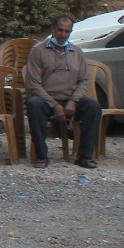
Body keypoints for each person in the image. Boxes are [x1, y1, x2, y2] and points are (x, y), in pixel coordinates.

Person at [20, 16, 100, 170]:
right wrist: (54, 105)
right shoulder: (38, 50)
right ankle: (41, 156)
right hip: (46, 99)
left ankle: (84, 156)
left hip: (70, 99)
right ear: (53, 30)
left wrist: (74, 101)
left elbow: (84, 80)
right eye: (60, 30)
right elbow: (33, 84)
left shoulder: (77, 52)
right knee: (33, 104)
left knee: (93, 106)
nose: (63, 35)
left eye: (67, 31)